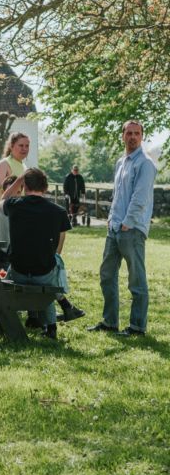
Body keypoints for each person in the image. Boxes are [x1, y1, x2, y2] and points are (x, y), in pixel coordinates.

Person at [89, 120, 157, 337]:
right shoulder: (121, 162)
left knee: (136, 280)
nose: (133, 137)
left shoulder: (145, 164)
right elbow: (118, 195)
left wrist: (128, 222)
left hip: (132, 229)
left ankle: (137, 327)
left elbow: (140, 197)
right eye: (129, 133)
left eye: (137, 133)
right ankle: (110, 322)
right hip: (114, 228)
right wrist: (112, 219)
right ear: (123, 136)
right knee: (107, 275)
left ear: (142, 136)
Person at [4, 169, 71, 339]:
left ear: (25, 186)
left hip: (18, 271)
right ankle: (53, 324)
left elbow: (2, 198)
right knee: (52, 269)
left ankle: (39, 318)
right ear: (46, 187)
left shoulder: (14, 205)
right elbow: (60, 240)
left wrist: (18, 180)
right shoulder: (58, 212)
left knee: (10, 267)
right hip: (43, 272)